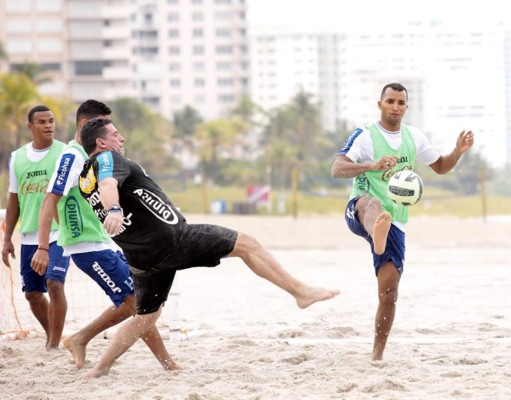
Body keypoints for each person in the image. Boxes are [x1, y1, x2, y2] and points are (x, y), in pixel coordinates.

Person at [77, 117, 340, 378]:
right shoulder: (107, 160)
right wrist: (114, 209)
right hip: (172, 240)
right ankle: (300, 292)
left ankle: (100, 368)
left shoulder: (84, 178)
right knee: (248, 244)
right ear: (101, 142)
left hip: (141, 259)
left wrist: (115, 209)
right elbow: (109, 185)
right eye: (115, 134)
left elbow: (108, 189)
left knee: (145, 317)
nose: (121, 139)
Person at [30, 100, 179, 371]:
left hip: (102, 243)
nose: (113, 135)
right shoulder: (72, 156)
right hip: (86, 247)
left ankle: (80, 338)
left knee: (129, 303)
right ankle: (167, 364)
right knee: (137, 304)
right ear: (88, 127)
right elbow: (49, 200)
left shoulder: (98, 158)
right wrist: (43, 247)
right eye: (104, 127)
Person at [331, 82, 474, 361]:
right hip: (360, 210)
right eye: (390, 101)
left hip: (396, 221)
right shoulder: (365, 136)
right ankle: (377, 234)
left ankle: (377, 356)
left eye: (401, 103)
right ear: (380, 104)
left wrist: (457, 152)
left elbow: (441, 167)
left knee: (389, 292)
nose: (395, 107)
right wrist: (371, 165)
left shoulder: (414, 137)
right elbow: (337, 169)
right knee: (372, 204)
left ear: (406, 107)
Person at [1, 105, 70, 350]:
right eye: (42, 122)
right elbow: (13, 199)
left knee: (55, 283)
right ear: (30, 126)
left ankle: (52, 345)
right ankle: (55, 335)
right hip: (29, 235)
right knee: (32, 294)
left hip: (59, 234)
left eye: (51, 120)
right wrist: (7, 237)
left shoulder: (65, 153)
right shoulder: (17, 157)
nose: (49, 125)